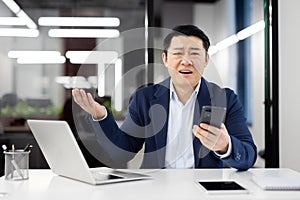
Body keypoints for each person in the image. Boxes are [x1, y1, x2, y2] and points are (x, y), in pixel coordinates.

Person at [72, 25, 257, 170]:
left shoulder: (225, 98)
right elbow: (122, 153)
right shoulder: (145, 98)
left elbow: (248, 156)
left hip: (203, 189)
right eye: (178, 53)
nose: (186, 61)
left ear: (206, 59)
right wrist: (100, 116)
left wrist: (226, 145)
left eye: (194, 53)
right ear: (165, 59)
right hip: (157, 188)